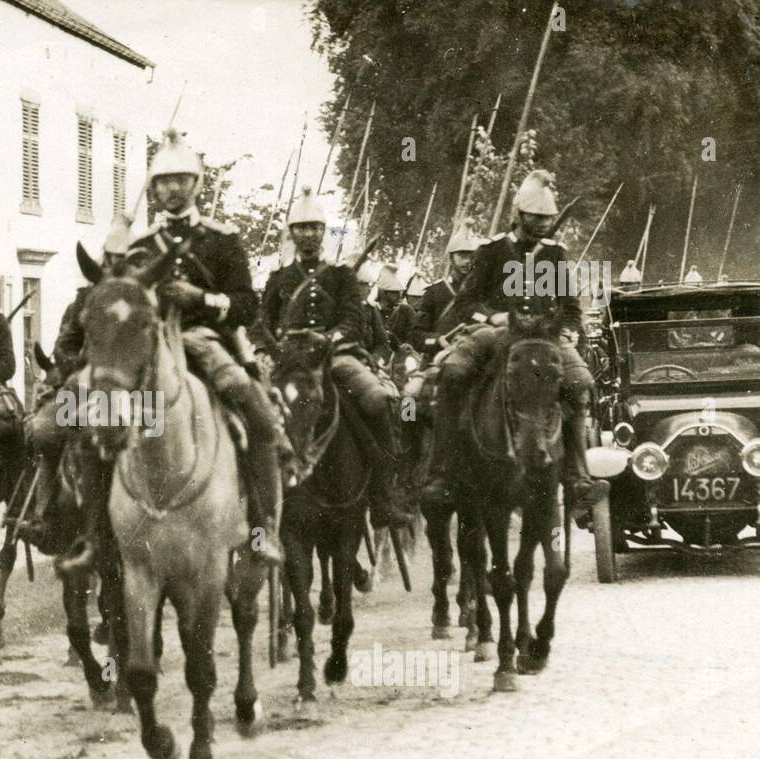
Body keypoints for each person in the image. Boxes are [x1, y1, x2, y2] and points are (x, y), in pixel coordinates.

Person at [60, 129, 287, 576]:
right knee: (93, 418)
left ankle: (262, 532)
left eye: (180, 180)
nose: (171, 189)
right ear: (153, 189)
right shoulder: (140, 245)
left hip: (207, 340)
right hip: (150, 350)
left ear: (196, 185)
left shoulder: (223, 240)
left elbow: (247, 304)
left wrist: (201, 299)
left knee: (259, 416)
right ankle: (93, 536)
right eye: (162, 182)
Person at [422, 169, 608, 510]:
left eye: (546, 218)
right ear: (519, 215)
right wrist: (491, 317)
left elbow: (570, 307)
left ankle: (578, 474)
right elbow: (466, 302)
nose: (541, 224)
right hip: (495, 332)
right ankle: (442, 470)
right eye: (535, 217)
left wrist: (566, 330)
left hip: (545, 336)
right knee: (452, 374)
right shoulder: (492, 251)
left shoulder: (554, 254)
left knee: (580, 383)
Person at [255, 185, 406, 528]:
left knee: (379, 401)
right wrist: (265, 349)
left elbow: (353, 321)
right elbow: (261, 322)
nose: (307, 234)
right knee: (248, 408)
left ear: (323, 232)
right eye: (301, 228)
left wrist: (328, 339)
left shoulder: (341, 277)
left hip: (335, 357)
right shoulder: (279, 278)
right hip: (288, 362)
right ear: (291, 233)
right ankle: (254, 500)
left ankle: (383, 496)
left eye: (314, 228)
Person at [21, 218, 132, 547]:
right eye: (112, 259)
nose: (117, 266)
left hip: (133, 389)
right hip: (85, 387)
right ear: (104, 261)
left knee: (156, 433)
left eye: (125, 260)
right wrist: (80, 366)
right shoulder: (84, 298)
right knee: (42, 431)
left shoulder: (142, 297)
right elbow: (64, 345)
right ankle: (44, 515)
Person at [411, 226, 484, 358]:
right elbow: (416, 336)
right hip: (438, 359)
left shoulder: (483, 293)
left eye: (472, 256)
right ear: (451, 258)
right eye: (461, 256)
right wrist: (437, 340)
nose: (467, 261)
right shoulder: (435, 292)